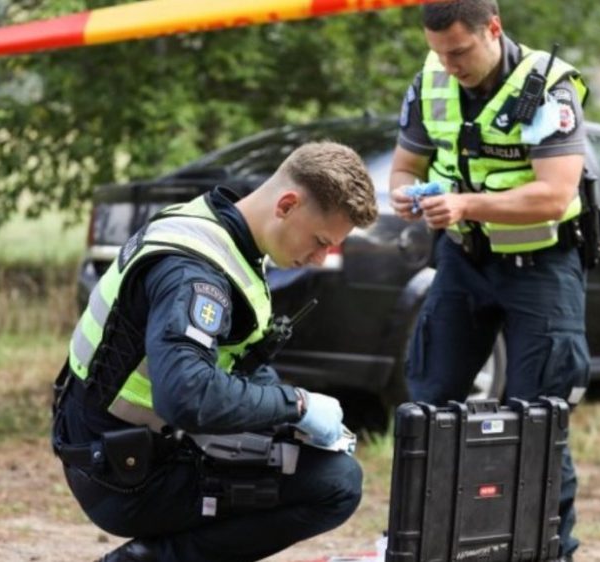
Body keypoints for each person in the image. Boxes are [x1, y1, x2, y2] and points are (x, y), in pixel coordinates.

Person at [52, 141, 378, 562]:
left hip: (119, 443)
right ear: (287, 205)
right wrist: (295, 404)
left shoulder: (219, 229)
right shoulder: (195, 276)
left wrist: (292, 418)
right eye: (319, 241)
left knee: (317, 459)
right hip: (123, 473)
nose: (319, 259)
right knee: (336, 484)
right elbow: (185, 396)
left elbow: (231, 362)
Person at [388, 1, 590, 560]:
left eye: (459, 51)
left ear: (493, 30)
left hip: (541, 269)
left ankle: (549, 551)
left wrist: (466, 203)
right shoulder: (429, 81)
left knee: (539, 420)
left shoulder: (548, 88)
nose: (449, 64)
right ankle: (420, 546)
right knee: (426, 407)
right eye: (438, 52)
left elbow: (555, 195)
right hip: (462, 262)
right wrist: (406, 195)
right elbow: (404, 167)